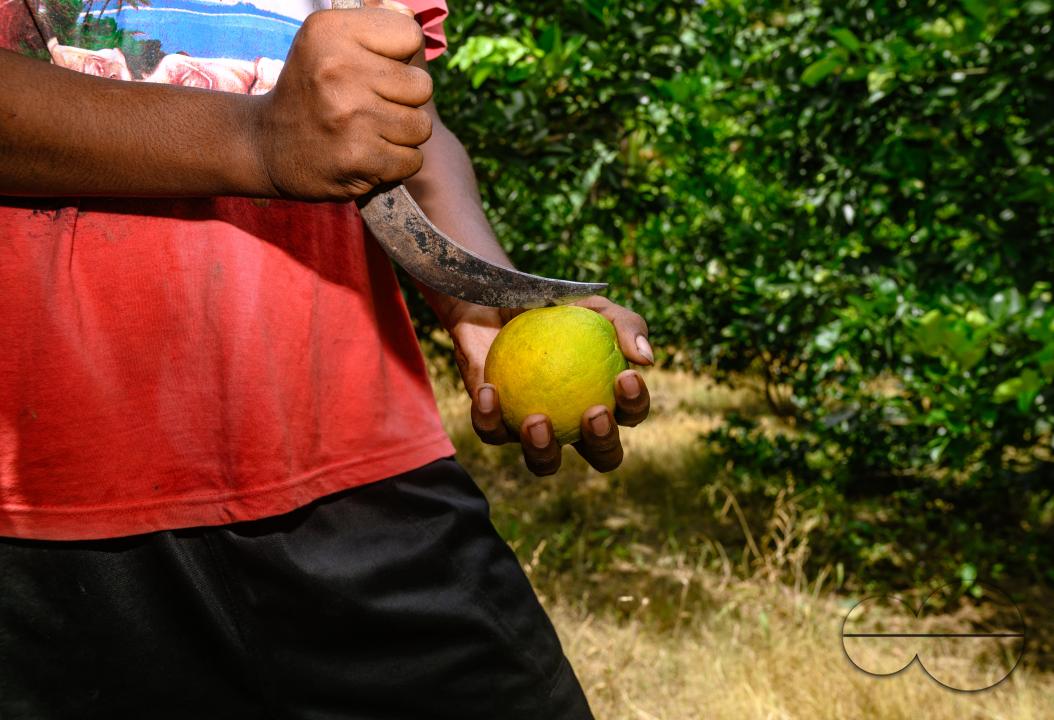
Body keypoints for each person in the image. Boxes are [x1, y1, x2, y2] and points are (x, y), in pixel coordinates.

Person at [0, 1, 652, 717]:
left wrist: (476, 289)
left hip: (362, 464)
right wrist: (257, 141)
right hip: (51, 505)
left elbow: (405, 127)